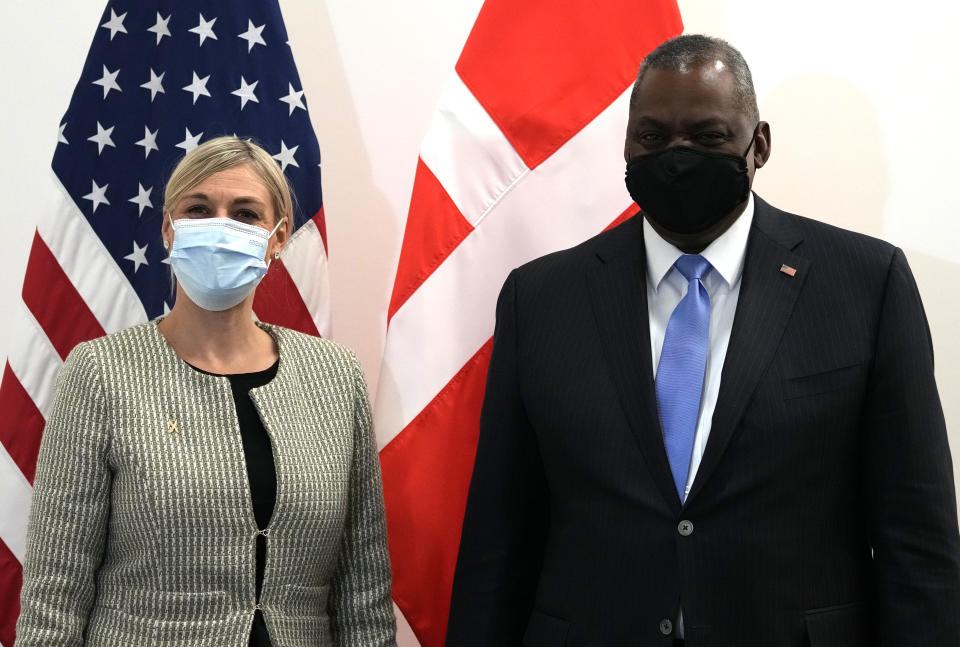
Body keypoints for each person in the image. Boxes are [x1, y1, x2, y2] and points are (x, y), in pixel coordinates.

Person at [445, 35, 960, 646]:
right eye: (653, 138)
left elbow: (918, 542)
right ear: (628, 143)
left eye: (708, 137)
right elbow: (498, 540)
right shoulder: (540, 300)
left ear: (758, 144)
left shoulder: (866, 286)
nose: (677, 157)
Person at [15, 136, 397, 647]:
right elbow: (55, 588)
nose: (221, 227)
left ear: (278, 238)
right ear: (170, 230)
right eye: (199, 208)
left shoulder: (334, 376)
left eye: (245, 214)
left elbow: (362, 586)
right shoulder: (101, 373)